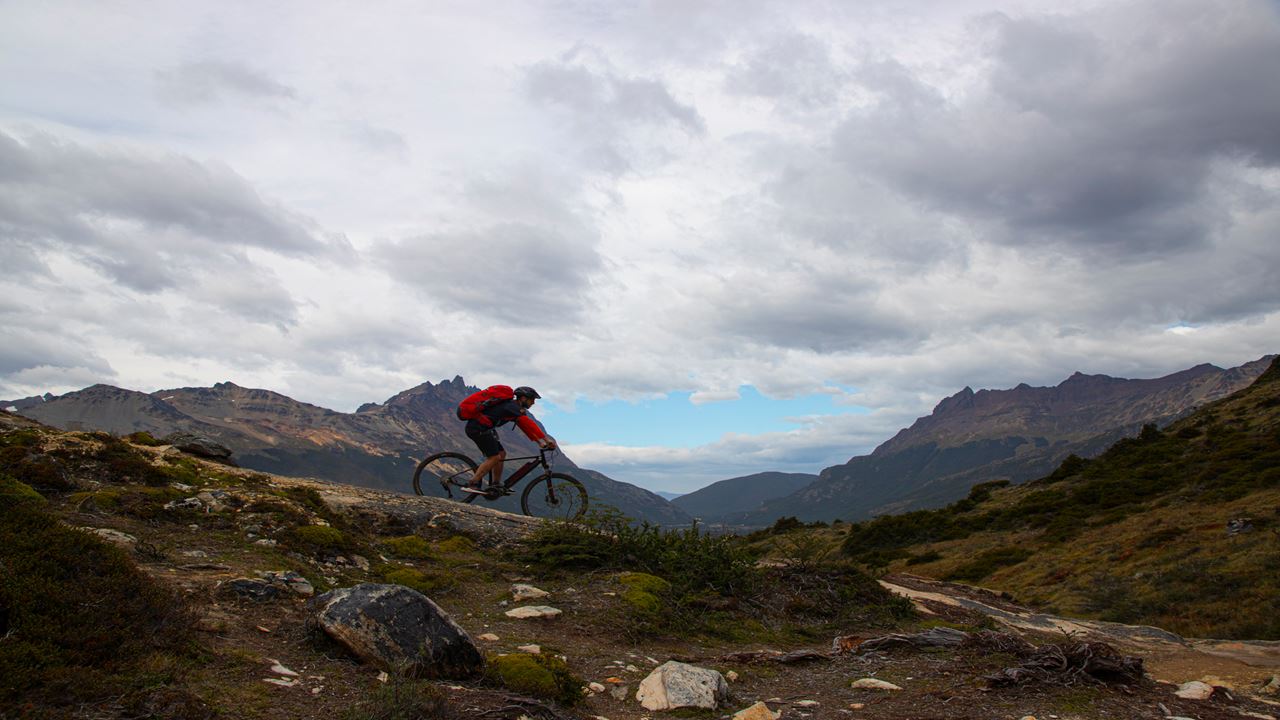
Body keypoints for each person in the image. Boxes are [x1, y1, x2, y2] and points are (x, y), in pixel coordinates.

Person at [462, 386, 556, 493]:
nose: (533, 402)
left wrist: (540, 442)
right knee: (494, 457)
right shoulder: (512, 406)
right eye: (532, 399)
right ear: (523, 398)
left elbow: (525, 427)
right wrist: (546, 439)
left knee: (501, 453)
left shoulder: (515, 409)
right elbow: (528, 423)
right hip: (477, 428)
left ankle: (495, 484)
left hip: (485, 428)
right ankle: (472, 483)